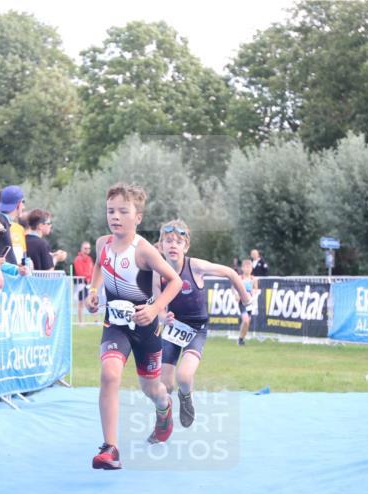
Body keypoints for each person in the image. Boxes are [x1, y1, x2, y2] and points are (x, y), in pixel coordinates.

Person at [85, 183, 183, 470]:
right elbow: (100, 267)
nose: (115, 216)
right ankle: (109, 448)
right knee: (109, 374)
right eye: (110, 211)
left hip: (145, 328)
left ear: (137, 217)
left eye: (122, 211)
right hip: (115, 325)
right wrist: (93, 291)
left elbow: (175, 281)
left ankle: (164, 409)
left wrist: (154, 308)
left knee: (152, 389)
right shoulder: (103, 243)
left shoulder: (145, 251)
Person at [156, 220, 250, 428]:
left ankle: (186, 397)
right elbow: (158, 304)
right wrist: (163, 317)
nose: (173, 245)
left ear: (186, 247)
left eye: (178, 242)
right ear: (160, 245)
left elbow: (231, 273)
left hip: (196, 329)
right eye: (168, 241)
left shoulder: (195, 266)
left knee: (183, 375)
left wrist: (244, 296)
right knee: (164, 385)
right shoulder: (158, 272)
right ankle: (163, 418)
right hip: (172, 329)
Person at [238, 258, 259, 345]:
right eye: (246, 267)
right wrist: (236, 294)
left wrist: (253, 292)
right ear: (242, 268)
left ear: (251, 268)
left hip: (250, 303)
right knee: (246, 320)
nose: (247, 269)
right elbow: (233, 288)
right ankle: (240, 338)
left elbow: (256, 289)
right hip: (242, 302)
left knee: (247, 322)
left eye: (249, 267)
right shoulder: (239, 278)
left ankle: (241, 339)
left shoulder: (254, 279)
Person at [73, 241, 94, 322]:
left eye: (88, 248)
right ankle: (80, 322)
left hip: (89, 283)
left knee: (91, 301)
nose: (87, 250)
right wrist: (89, 276)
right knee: (81, 303)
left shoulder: (89, 259)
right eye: (85, 248)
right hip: (81, 284)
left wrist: (91, 278)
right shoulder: (78, 259)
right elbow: (80, 272)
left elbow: (92, 271)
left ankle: (93, 321)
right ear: (81, 249)